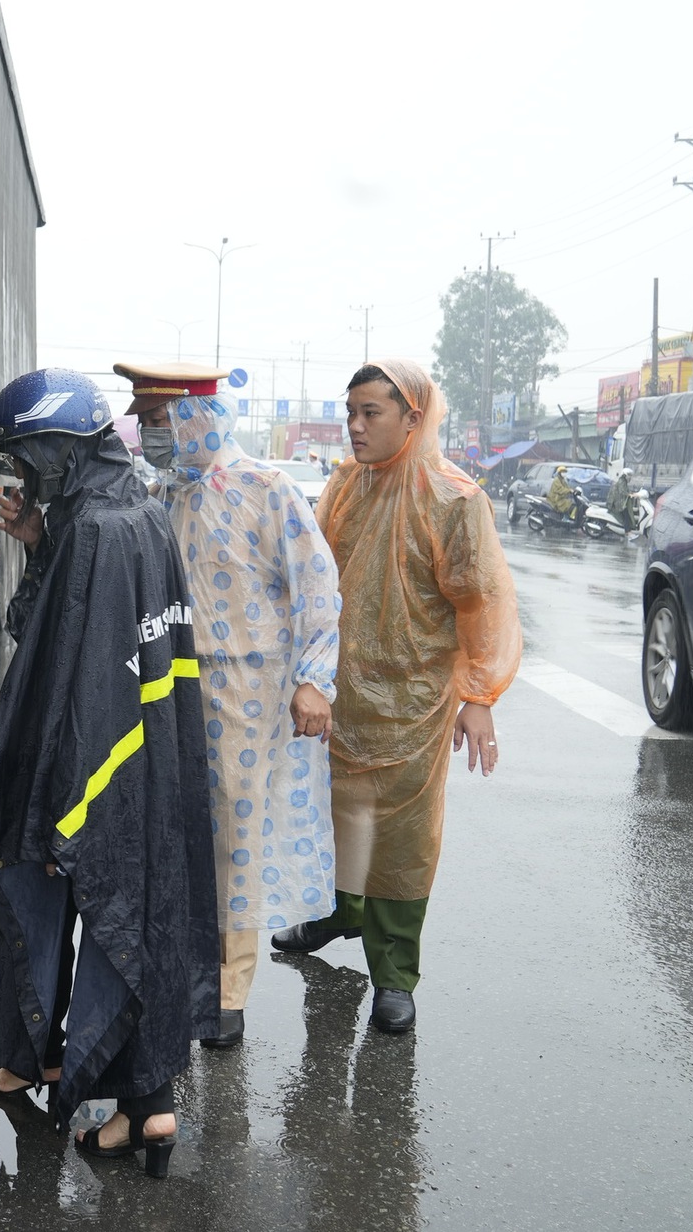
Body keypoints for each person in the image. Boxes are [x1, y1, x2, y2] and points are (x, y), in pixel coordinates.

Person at [0, 366, 218, 1179]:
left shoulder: (95, 531)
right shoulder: (135, 510)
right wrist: (38, 539)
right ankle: (122, 1091)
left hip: (83, 762)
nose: (21, 479)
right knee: (132, 911)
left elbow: (46, 649)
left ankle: (74, 1074)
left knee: (59, 894)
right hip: (146, 760)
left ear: (58, 450)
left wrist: (60, 792)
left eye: (27, 462)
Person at [270, 359, 521, 1034]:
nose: (353, 427)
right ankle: (334, 914)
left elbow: (481, 602)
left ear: (413, 416)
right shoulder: (346, 484)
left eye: (369, 413)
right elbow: (317, 577)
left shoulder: (455, 499)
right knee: (337, 816)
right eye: (349, 412)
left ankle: (394, 971)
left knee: (403, 839)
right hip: (342, 692)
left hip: (415, 701)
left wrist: (479, 694)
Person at [114, 361, 341, 1049]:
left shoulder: (266, 488)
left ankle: (229, 987)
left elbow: (319, 587)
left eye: (157, 420)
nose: (151, 435)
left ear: (194, 416)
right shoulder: (164, 496)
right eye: (146, 422)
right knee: (178, 828)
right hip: (173, 684)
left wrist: (313, 679)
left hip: (248, 689)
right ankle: (184, 967)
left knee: (236, 838)